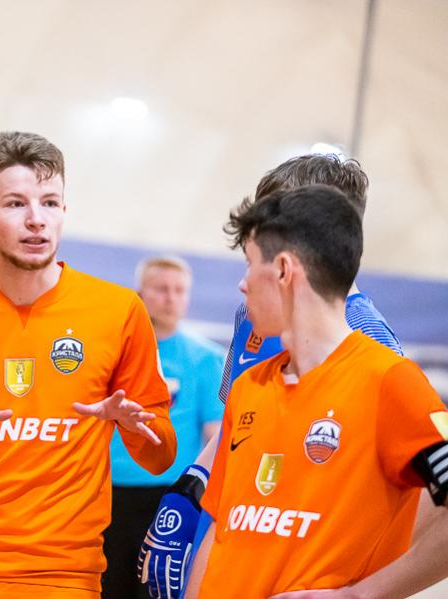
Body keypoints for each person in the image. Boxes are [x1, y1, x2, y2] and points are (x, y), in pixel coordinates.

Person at [0, 131, 176, 598]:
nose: (36, 220)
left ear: (64, 210)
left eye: (49, 203)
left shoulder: (119, 311)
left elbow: (161, 456)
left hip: (64, 577)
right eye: (15, 204)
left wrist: (133, 426)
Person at [140, 154, 406, 599]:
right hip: (232, 540)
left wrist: (363, 591)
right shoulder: (252, 314)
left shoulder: (371, 341)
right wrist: (188, 492)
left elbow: (402, 494)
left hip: (301, 566)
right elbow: (233, 428)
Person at [184, 184, 448, 597]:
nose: (242, 284)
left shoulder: (390, 381)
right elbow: (223, 527)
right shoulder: (249, 387)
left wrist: (359, 595)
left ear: (284, 270)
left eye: (250, 263)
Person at [103, 256, 223, 599]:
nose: (171, 298)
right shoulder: (113, 350)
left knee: (157, 591)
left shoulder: (206, 357)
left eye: (179, 290)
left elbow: (215, 434)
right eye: (161, 289)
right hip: (108, 493)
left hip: (168, 498)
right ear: (141, 293)